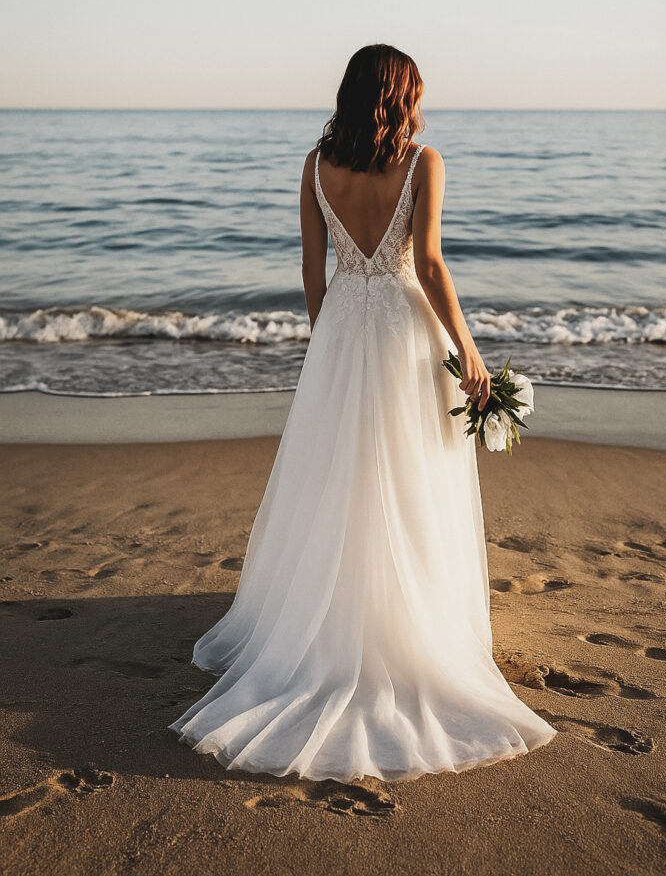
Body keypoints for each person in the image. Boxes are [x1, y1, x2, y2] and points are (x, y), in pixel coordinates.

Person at [169, 44, 557, 781]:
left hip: (344, 326)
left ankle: (332, 609)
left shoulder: (316, 168)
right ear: (402, 96)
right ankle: (409, 618)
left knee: (339, 473)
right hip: (408, 332)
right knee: (413, 472)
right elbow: (433, 265)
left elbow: (311, 271)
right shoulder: (423, 162)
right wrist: (468, 353)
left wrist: (329, 344)